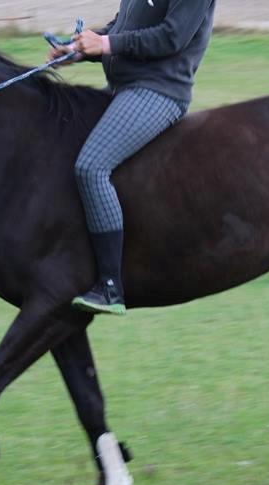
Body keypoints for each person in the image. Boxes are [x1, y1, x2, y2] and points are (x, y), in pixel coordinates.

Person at [49, 0, 218, 315]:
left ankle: (110, 286)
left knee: (91, 168)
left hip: (159, 91)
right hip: (122, 87)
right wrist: (79, 47)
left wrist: (105, 43)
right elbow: (122, 25)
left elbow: (172, 36)